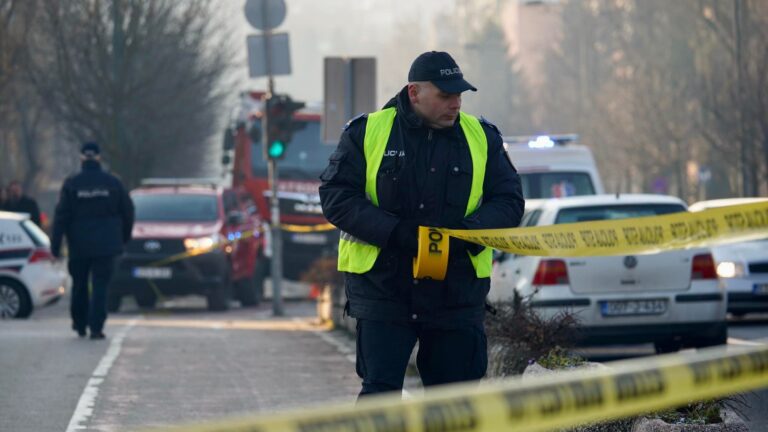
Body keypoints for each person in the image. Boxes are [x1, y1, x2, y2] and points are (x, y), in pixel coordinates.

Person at [319, 51, 525, 398]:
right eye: (446, 95)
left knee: (455, 405)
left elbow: (509, 201)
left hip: (456, 293)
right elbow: (336, 196)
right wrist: (396, 233)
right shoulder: (367, 132)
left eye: (459, 95)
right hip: (384, 289)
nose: (456, 103)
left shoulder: (482, 137)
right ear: (414, 93)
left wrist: (466, 236)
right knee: (379, 397)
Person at [51, 142, 134, 340]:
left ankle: (80, 324)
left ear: (81, 158)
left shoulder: (72, 184)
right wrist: (123, 238)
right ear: (99, 158)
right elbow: (128, 211)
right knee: (100, 286)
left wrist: (55, 246)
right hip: (106, 246)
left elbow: (61, 216)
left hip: (79, 245)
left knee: (79, 284)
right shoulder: (113, 183)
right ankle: (96, 327)